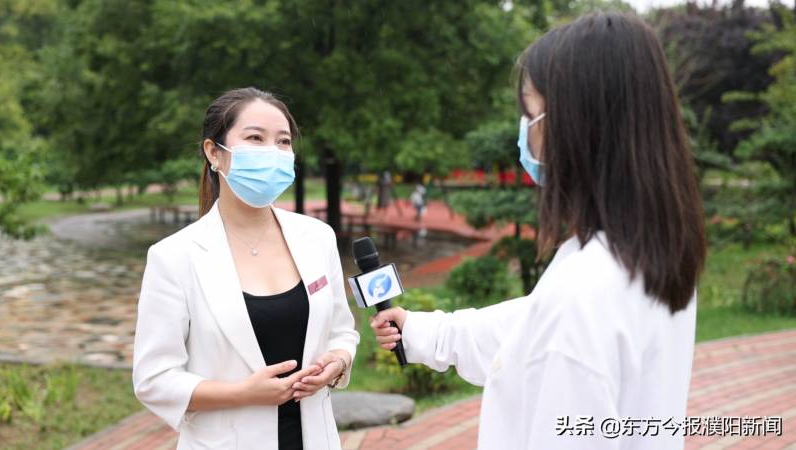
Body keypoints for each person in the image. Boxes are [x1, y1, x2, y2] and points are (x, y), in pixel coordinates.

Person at [371, 12, 706, 450]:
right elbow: (530, 326)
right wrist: (425, 333)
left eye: (532, 114)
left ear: (576, 126)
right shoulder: (652, 251)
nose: (525, 134)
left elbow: (555, 331)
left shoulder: (582, 295)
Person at [132, 87, 360, 450]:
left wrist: (338, 362)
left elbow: (341, 331)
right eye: (255, 138)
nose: (272, 152)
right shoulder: (175, 257)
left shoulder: (317, 238)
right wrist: (243, 393)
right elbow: (154, 379)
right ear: (214, 153)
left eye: (283, 142)